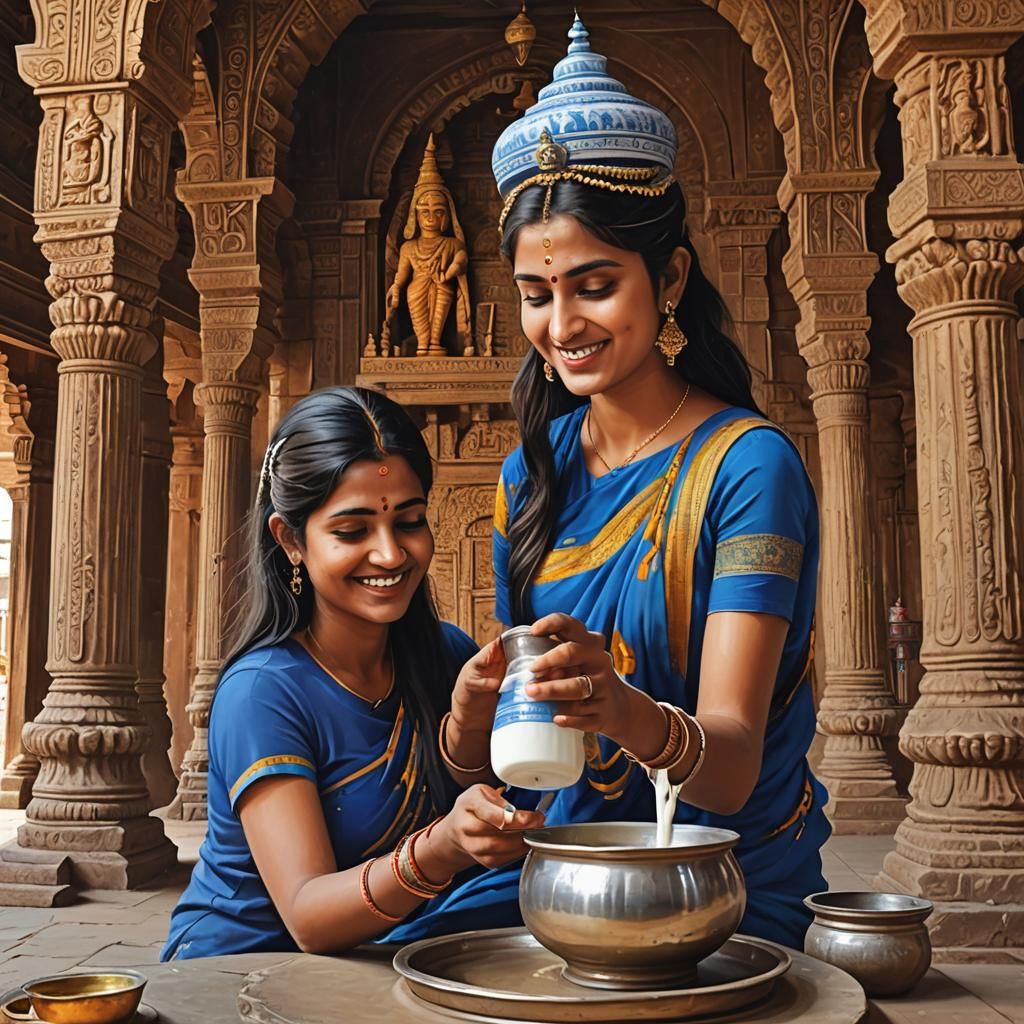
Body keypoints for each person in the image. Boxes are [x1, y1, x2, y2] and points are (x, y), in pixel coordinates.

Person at [434, 15, 831, 950]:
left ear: (672, 276)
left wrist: (618, 706)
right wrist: (469, 732)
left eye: (594, 284)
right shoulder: (530, 473)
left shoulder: (747, 467)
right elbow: (521, 748)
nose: (561, 323)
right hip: (556, 869)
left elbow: (729, 768)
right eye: (537, 293)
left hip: (710, 879)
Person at [161, 387, 543, 960]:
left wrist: (469, 729)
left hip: (383, 957)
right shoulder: (263, 692)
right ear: (291, 540)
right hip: (243, 971)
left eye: (410, 521)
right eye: (352, 530)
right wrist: (439, 849)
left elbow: (478, 804)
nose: (391, 554)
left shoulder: (445, 654)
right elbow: (308, 918)